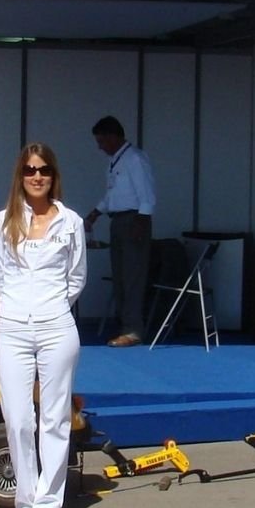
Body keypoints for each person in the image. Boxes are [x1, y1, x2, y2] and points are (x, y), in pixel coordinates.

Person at [0, 144, 86, 508]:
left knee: (54, 417)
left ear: (53, 175)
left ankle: (47, 501)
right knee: (16, 417)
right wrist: (17, 308)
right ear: (20, 175)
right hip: (12, 326)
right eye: (30, 169)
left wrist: (53, 307)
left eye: (43, 169)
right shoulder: (3, 222)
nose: (36, 176)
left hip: (56, 326)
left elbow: (76, 277)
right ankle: (25, 499)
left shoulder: (71, 222)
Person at [84, 114, 156, 346]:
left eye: (102, 141)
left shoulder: (135, 159)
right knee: (121, 276)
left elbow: (147, 194)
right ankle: (124, 324)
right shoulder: (115, 161)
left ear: (114, 136)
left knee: (133, 276)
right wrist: (95, 213)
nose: (100, 147)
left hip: (134, 220)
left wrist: (142, 221)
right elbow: (113, 194)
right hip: (118, 220)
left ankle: (133, 330)